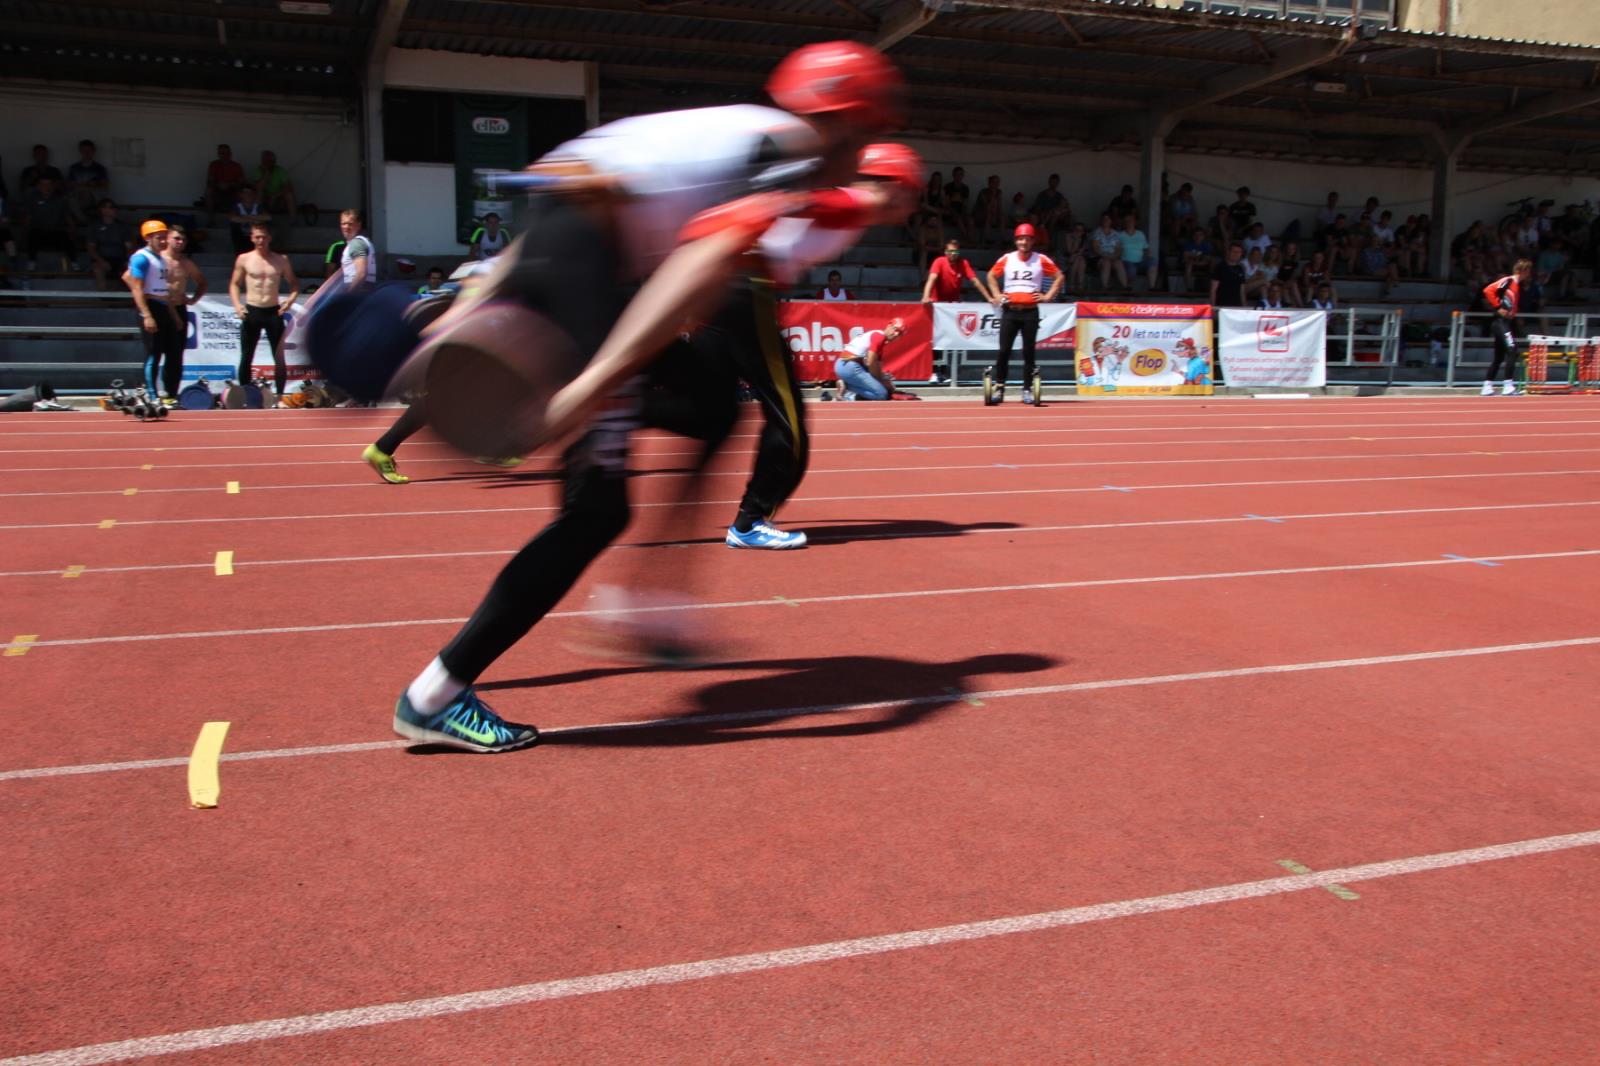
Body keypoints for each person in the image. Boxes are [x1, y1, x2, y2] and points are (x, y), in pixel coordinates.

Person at [385, 40, 908, 751]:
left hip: (566, 233)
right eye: (874, 132)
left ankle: (650, 598)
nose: (873, 152)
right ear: (848, 123)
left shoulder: (751, 136)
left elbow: (575, 186)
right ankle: (437, 692)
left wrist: (477, 293)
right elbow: (692, 265)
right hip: (586, 254)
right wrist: (589, 387)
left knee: (714, 407)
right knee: (595, 513)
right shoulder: (783, 152)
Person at [985, 221, 1061, 405]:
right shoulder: (1007, 258)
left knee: (1028, 352)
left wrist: (1048, 295)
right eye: (1020, 239)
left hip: (1030, 312)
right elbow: (990, 276)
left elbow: (1059, 276)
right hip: (1010, 311)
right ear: (1016, 241)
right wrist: (996, 294)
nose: (1023, 243)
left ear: (1032, 241)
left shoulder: (1041, 259)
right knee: (1004, 351)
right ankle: (1000, 387)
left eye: (1026, 239)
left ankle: (1026, 389)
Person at [229, 221, 299, 398]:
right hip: (252, 311)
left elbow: (294, 284)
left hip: (273, 312)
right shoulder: (244, 259)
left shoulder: (280, 260)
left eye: (263, 237)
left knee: (279, 357)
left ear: (269, 238)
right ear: (252, 238)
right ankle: (245, 394)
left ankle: (280, 395)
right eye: (257, 237)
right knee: (246, 355)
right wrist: (237, 305)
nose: (260, 240)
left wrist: (289, 301)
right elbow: (234, 284)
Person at [123, 221, 185, 400]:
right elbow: (135, 285)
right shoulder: (141, 257)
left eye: (165, 237)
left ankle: (171, 393)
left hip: (165, 307)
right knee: (154, 353)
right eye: (159, 238)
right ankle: (152, 395)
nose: (164, 241)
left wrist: (174, 316)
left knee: (173, 352)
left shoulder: (160, 259)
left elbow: (164, 290)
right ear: (148, 238)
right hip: (152, 307)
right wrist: (147, 315)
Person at [1480, 259, 1532, 396]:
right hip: (1499, 322)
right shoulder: (1508, 280)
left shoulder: (1517, 286)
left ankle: (1487, 385)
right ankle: (1508, 385)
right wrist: (1498, 307)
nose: (1529, 274)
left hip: (1506, 322)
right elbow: (1488, 290)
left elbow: (1512, 303)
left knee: (1499, 356)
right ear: (1523, 270)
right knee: (1512, 349)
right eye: (1528, 271)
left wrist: (1514, 315)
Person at [834, 317, 904, 400]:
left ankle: (847, 386)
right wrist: (881, 381)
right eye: (895, 329)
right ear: (889, 326)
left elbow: (877, 368)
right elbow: (870, 363)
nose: (896, 334)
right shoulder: (879, 336)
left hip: (841, 365)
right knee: (881, 394)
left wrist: (883, 378)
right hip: (850, 366)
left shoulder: (879, 340)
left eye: (900, 334)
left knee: (884, 389)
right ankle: (849, 392)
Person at [84, 198, 134, 291]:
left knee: (132, 270)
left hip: (120, 258)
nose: (111, 210)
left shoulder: (123, 227)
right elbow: (91, 248)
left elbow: (129, 247)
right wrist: (101, 261)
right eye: (107, 207)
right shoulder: (94, 226)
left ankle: (123, 299)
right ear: (101, 210)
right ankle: (104, 298)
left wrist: (128, 260)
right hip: (101, 258)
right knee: (97, 269)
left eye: (112, 207)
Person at [65, 140, 109, 220]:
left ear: (93, 151)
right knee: (70, 199)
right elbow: (68, 184)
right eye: (84, 150)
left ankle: (89, 220)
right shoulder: (74, 168)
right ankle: (85, 221)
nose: (86, 153)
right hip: (78, 194)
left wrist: (92, 185)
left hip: (94, 194)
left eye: (89, 150)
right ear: (80, 151)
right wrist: (81, 187)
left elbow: (105, 185)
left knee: (99, 198)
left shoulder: (100, 168)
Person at [205, 144, 248, 215]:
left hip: (232, 189)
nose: (224, 155)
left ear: (230, 154)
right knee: (208, 191)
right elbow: (209, 181)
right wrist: (218, 185)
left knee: (241, 193)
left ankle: (238, 220)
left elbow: (242, 183)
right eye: (222, 153)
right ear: (218, 154)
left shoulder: (236, 166)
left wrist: (230, 184)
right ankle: (211, 220)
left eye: (226, 153)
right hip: (218, 189)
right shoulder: (213, 165)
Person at [253, 150, 296, 217]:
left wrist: (275, 196)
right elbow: (259, 187)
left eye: (270, 160)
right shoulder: (257, 170)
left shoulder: (280, 170)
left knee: (289, 194)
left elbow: (288, 187)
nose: (268, 163)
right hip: (263, 198)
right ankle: (259, 219)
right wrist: (267, 174)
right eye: (265, 160)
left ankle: (293, 219)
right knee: (259, 193)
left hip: (277, 198)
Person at [228, 186, 269, 254]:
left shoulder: (258, 206)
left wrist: (244, 217)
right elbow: (233, 218)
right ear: (241, 195)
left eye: (250, 193)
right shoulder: (237, 206)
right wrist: (254, 219)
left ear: (254, 195)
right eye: (245, 193)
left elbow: (267, 217)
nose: (248, 195)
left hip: (255, 234)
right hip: (241, 235)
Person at [1210, 242, 1247, 308]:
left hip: (1237, 306)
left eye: (1238, 252)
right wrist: (1213, 307)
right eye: (1234, 251)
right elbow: (1213, 290)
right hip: (1221, 305)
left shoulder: (1241, 269)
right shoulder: (1219, 267)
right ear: (1229, 252)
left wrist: (1245, 308)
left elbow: (1242, 291)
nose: (1236, 254)